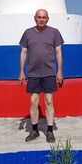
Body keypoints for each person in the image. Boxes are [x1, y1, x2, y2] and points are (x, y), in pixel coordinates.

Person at [19, 9, 64, 143]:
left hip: (49, 72)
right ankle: (35, 131)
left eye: (44, 17)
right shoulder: (28, 33)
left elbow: (58, 52)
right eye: (39, 17)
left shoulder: (54, 32)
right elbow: (23, 53)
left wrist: (59, 71)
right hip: (33, 73)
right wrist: (21, 71)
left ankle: (49, 131)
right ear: (35, 18)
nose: (41, 19)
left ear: (48, 19)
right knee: (33, 102)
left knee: (49, 101)